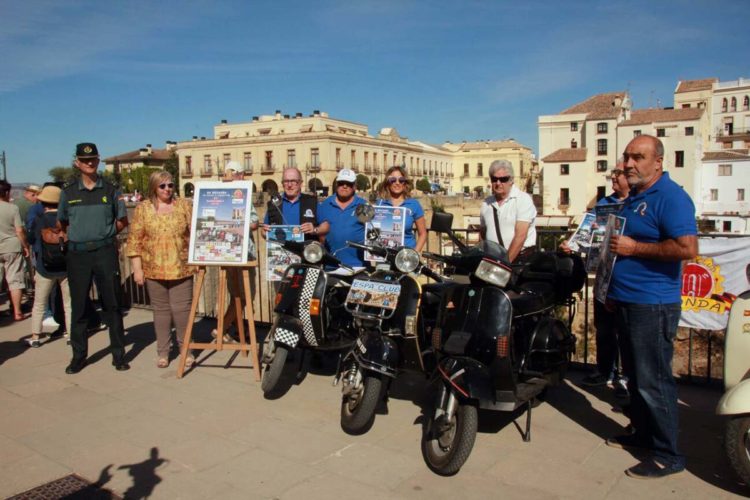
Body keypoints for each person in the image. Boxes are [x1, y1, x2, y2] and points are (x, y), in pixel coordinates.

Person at [605, 134, 698, 479]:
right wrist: (613, 290)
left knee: (654, 381)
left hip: (653, 304)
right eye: (627, 157)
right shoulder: (636, 197)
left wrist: (634, 249)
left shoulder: (671, 197)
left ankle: (667, 455)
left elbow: (687, 248)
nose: (629, 163)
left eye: (638, 157)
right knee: (635, 377)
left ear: (658, 162)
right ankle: (643, 435)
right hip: (627, 301)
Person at [58, 142, 130, 374]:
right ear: (77, 162)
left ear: (98, 161)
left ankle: (119, 355)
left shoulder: (110, 190)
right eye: (84, 160)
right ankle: (79, 356)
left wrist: (105, 236)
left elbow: (122, 221)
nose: (90, 163)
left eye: (93, 159)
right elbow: (63, 223)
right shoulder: (68, 192)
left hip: (104, 252)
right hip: (78, 254)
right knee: (79, 306)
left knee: (112, 304)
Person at [127, 171, 194, 368]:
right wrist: (137, 269)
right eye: (162, 186)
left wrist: (198, 258)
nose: (167, 189)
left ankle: (186, 349)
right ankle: (163, 351)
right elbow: (134, 241)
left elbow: (195, 232)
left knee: (182, 312)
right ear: (154, 187)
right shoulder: (143, 209)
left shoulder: (184, 205)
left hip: (181, 268)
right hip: (153, 269)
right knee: (161, 312)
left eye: (170, 185)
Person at [580, 165, 631, 397]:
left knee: (627, 332)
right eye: (611, 177)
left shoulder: (637, 203)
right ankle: (605, 370)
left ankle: (627, 377)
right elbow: (587, 231)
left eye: (616, 177)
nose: (613, 181)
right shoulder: (604, 204)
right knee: (604, 329)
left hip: (626, 276)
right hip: (604, 275)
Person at [26, 185, 71, 347]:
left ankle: (36, 336)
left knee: (39, 303)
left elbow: (31, 239)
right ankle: (71, 334)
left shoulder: (39, 220)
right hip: (65, 265)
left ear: (44, 202)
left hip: (44, 266)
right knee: (68, 303)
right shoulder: (66, 220)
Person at [479, 160, 536, 262]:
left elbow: (520, 236)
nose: (498, 183)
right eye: (494, 179)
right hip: (493, 260)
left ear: (511, 180)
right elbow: (483, 234)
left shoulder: (523, 200)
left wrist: (505, 264)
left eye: (503, 179)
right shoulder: (486, 204)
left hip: (519, 260)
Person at [317, 169, 368, 268]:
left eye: (349, 183)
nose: (344, 186)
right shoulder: (325, 205)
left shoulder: (363, 205)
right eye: (341, 183)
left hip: (358, 266)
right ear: (336, 185)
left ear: (354, 186)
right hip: (331, 265)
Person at [376, 166, 427, 251]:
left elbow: (423, 233)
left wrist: (414, 253)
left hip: (406, 257)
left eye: (401, 180)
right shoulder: (380, 204)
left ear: (405, 183)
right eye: (393, 180)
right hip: (384, 255)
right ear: (388, 183)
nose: (397, 183)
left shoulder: (414, 204)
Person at [0, 180, 31, 320]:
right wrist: (25, 246)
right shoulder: (12, 208)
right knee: (15, 280)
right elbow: (19, 230)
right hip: (11, 246)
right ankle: (17, 311)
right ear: (7, 192)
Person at [262, 167, 319, 239]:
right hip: (280, 249)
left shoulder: (312, 201)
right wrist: (265, 232)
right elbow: (263, 231)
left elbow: (325, 226)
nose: (289, 185)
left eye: (293, 181)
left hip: (306, 249)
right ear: (282, 184)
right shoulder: (273, 203)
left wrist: (315, 229)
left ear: (300, 183)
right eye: (286, 181)